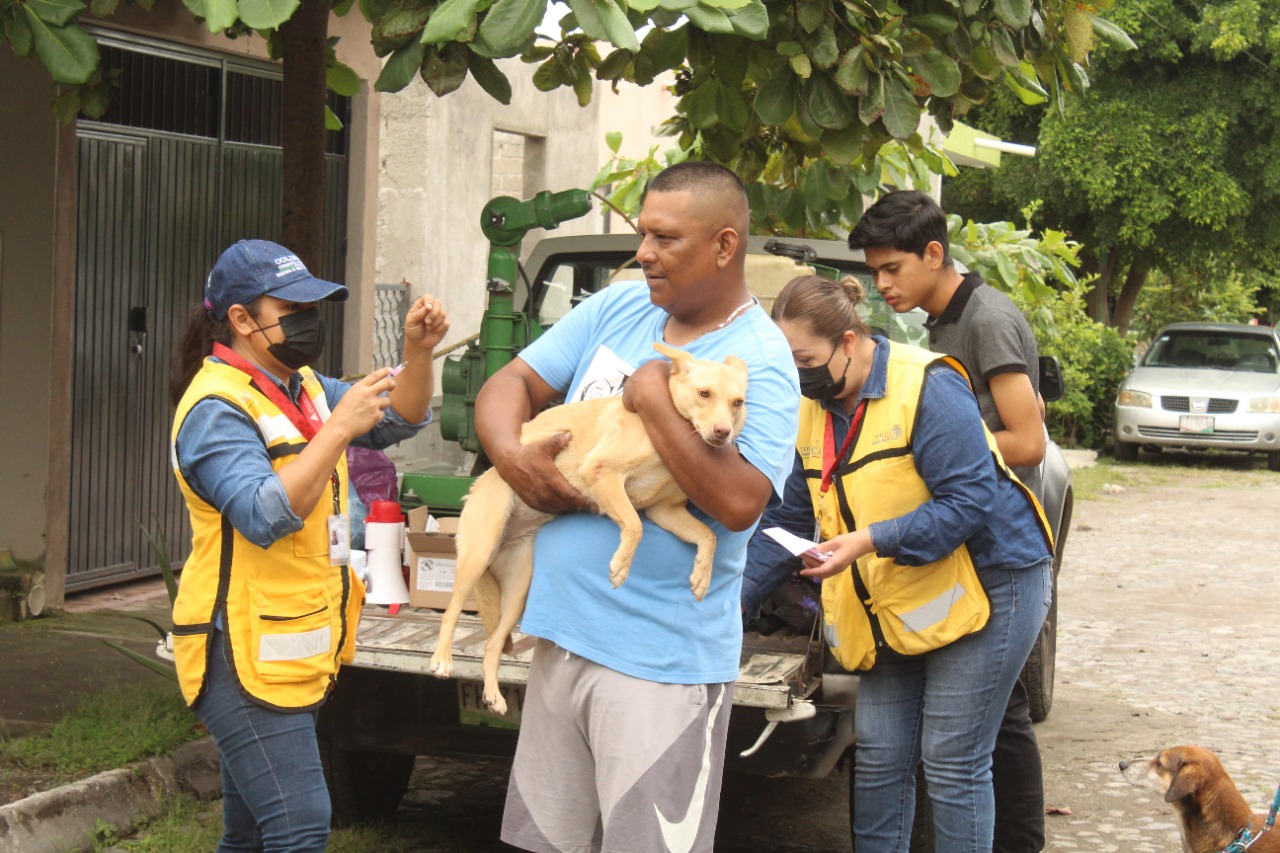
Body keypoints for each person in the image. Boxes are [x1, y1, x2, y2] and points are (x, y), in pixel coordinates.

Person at [476, 161, 800, 853]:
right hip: (561, 641)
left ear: (723, 245)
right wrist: (512, 456)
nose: (643, 252)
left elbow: (740, 501)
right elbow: (511, 380)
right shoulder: (620, 308)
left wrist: (654, 399)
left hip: (659, 666)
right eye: (641, 234)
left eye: (663, 237)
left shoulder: (758, 364)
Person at [751, 274, 1052, 852]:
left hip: (995, 576)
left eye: (803, 359)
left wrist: (866, 540)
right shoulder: (810, 408)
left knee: (951, 756)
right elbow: (787, 522)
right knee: (882, 752)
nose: (796, 374)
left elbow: (968, 502)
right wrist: (718, 600)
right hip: (901, 588)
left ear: (847, 341)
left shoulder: (927, 384)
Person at [168, 239, 448, 853]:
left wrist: (417, 354)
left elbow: (399, 416)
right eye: (291, 307)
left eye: (312, 305)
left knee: (246, 834)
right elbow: (265, 514)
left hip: (289, 649)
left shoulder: (302, 386)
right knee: (300, 826)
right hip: (238, 653)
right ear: (241, 319)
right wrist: (340, 428)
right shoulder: (216, 409)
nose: (308, 319)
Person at [850, 190, 1048, 852]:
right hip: (953, 552)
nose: (882, 286)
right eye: (873, 273)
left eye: (891, 270)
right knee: (986, 727)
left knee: (971, 746)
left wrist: (937, 446)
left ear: (934, 254)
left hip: (999, 549)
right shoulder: (938, 324)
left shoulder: (987, 320)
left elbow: (1027, 438)